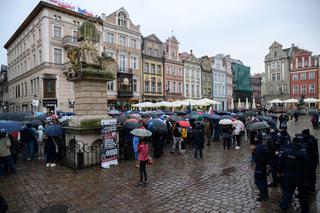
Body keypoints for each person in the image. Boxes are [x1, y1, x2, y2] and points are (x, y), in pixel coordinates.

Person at [278, 137, 310, 213]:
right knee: (302, 194)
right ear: (299, 143)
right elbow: (309, 165)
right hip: (300, 176)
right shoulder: (302, 153)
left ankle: (283, 207)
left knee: (287, 191)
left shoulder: (286, 151)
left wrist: (281, 172)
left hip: (288, 175)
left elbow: (280, 162)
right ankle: (305, 209)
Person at [300, 129, 319, 194]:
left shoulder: (310, 142)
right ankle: (311, 188)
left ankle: (309, 189)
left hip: (310, 162)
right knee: (311, 176)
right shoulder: (312, 139)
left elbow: (307, 153)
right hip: (313, 161)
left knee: (309, 176)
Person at [252, 134, 269, 202]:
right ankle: (266, 194)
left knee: (258, 181)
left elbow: (256, 160)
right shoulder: (265, 146)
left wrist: (253, 153)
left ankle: (263, 195)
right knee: (264, 181)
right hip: (264, 166)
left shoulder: (258, 148)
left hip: (260, 166)